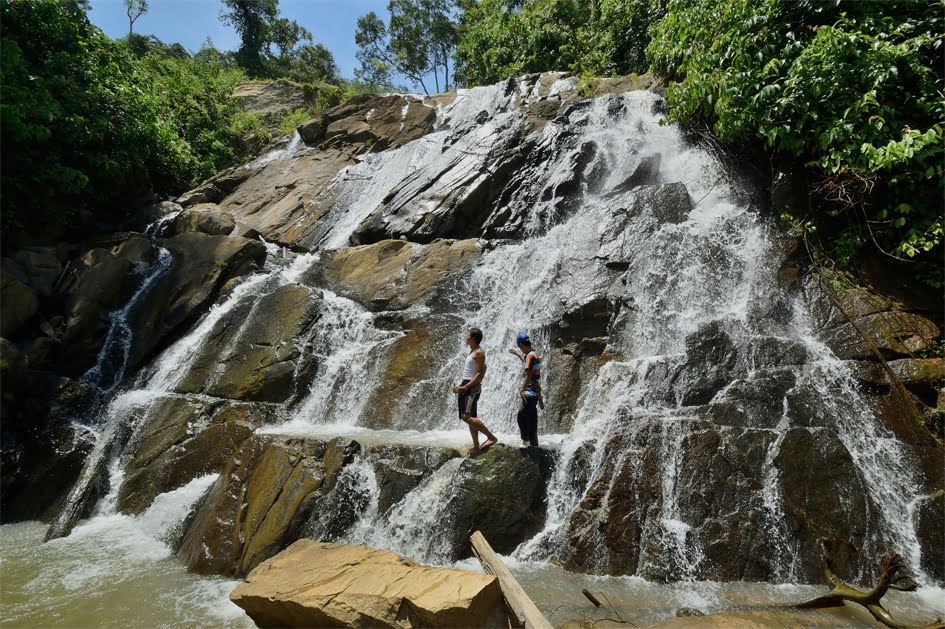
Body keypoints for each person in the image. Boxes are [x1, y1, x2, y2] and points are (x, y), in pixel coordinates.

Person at [452, 327, 498, 454]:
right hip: (467, 384)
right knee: (470, 417)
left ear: (473, 338)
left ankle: (491, 437)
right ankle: (476, 446)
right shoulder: (472, 351)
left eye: (468, 335)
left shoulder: (479, 352)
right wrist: (461, 385)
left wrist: (465, 387)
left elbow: (479, 374)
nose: (465, 336)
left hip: (471, 388)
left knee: (466, 417)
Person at [508, 332, 542, 447]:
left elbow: (528, 374)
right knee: (532, 419)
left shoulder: (529, 356)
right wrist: (517, 355)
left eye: (519, 347)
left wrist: (521, 389)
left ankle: (525, 440)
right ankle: (534, 446)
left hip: (529, 392)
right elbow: (527, 366)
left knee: (521, 415)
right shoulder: (533, 354)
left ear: (521, 344)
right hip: (534, 393)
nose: (520, 349)